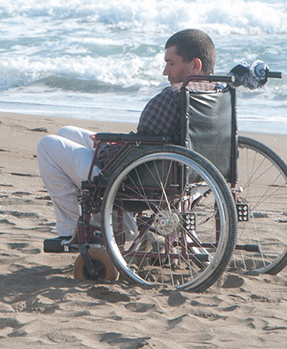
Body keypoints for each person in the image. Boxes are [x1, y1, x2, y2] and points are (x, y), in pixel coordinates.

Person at [36, 28, 218, 241]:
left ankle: (71, 230)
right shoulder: (217, 95)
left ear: (195, 65)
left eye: (171, 63)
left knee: (48, 146)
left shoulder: (172, 97)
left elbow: (140, 152)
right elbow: (151, 139)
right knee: (66, 132)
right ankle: (117, 226)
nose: (165, 72)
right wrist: (122, 142)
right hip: (195, 177)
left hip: (140, 183)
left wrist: (107, 147)